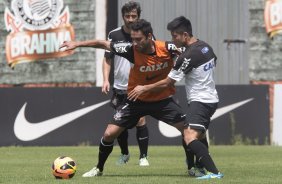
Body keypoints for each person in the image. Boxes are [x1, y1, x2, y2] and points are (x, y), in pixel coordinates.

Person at [60, 19, 188, 177]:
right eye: (132, 39)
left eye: (138, 39)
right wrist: (77, 44)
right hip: (136, 100)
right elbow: (103, 44)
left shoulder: (168, 48)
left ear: (149, 37)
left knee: (188, 130)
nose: (134, 43)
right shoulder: (130, 49)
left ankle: (192, 167)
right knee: (108, 134)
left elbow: (189, 49)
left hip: (162, 100)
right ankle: (99, 168)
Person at [128, 16, 223, 179]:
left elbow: (167, 82)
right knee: (197, 135)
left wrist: (144, 88)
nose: (173, 39)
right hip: (211, 98)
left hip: (201, 101)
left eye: (175, 36)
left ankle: (214, 173)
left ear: (185, 35)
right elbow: (214, 60)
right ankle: (200, 167)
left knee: (189, 136)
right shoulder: (205, 47)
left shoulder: (187, 56)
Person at [102, 1, 149, 167]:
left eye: (134, 16)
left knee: (140, 120)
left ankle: (143, 157)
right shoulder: (114, 35)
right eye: (127, 16)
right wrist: (105, 79)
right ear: (123, 17)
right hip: (120, 87)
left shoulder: (145, 34)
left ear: (138, 17)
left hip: (139, 87)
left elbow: (154, 55)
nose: (130, 19)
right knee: (119, 123)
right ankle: (124, 154)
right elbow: (107, 59)